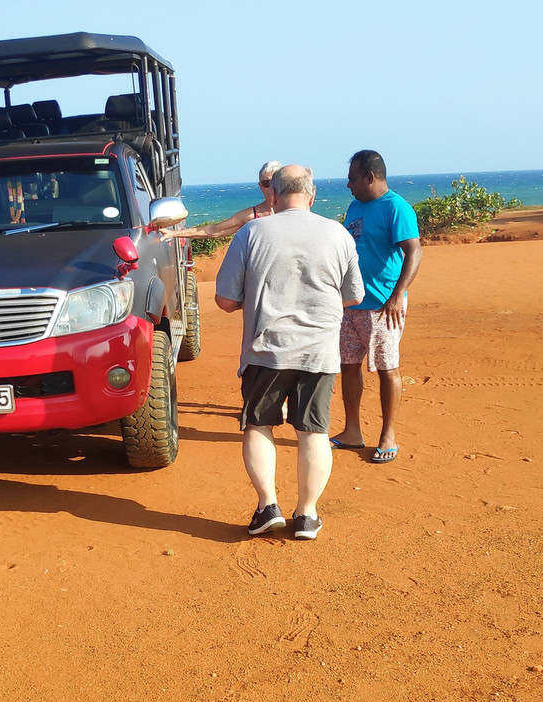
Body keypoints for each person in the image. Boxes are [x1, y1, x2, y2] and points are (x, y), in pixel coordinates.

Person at [215, 165, 364, 540]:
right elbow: (354, 296)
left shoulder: (252, 232)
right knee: (313, 431)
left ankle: (268, 506)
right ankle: (307, 515)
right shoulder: (338, 234)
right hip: (319, 352)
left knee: (258, 425)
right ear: (312, 195)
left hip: (266, 350)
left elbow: (225, 300)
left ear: (274, 195)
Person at [330, 150, 423, 464]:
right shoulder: (356, 206)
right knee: (349, 366)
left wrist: (398, 296)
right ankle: (352, 431)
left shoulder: (397, 208)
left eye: (353, 178)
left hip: (384, 307)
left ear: (370, 177)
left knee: (387, 369)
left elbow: (414, 252)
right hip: (351, 303)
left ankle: (388, 435)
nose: (348, 185)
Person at [161, 161, 281, 241]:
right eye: (267, 183)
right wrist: (174, 234)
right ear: (260, 186)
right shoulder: (251, 215)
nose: (271, 187)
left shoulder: (296, 210)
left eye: (275, 182)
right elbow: (214, 230)